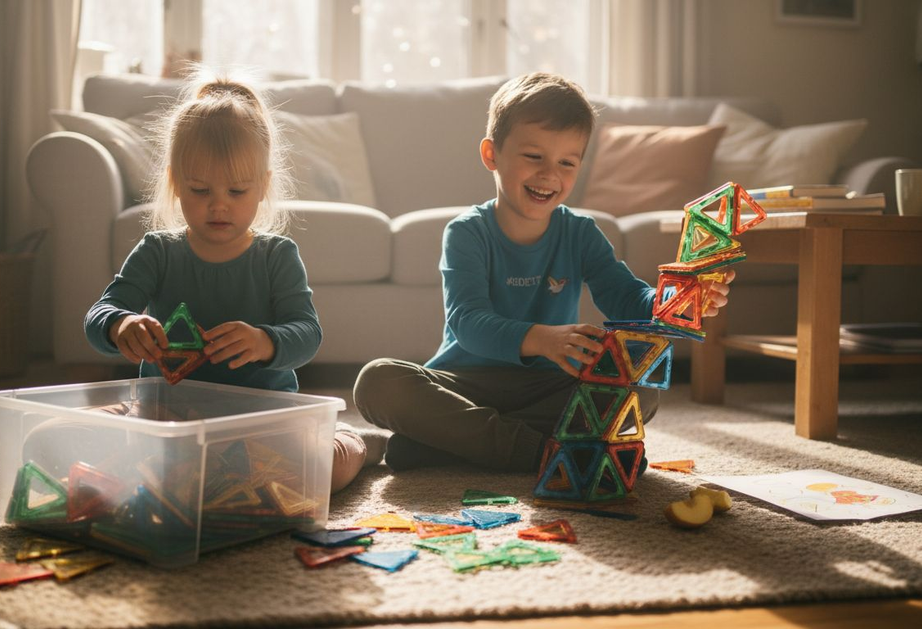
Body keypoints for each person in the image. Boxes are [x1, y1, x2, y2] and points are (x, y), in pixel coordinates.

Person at [353, 72, 734, 472]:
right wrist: (542, 339)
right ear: (491, 155)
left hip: (547, 387)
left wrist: (676, 303)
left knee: (642, 392)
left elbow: (627, 297)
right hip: (465, 382)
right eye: (534, 157)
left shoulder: (581, 233)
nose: (549, 174)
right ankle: (536, 454)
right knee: (378, 380)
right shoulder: (467, 232)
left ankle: (445, 445)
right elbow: (467, 321)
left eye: (567, 162)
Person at [84, 68, 383, 492]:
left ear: (263, 187)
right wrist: (120, 325)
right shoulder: (158, 251)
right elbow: (99, 315)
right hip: (167, 414)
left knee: (316, 471)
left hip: (260, 422)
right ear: (175, 184)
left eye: (237, 192)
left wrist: (265, 342)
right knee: (55, 437)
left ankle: (352, 440)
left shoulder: (276, 256)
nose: (218, 206)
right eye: (200, 191)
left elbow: (308, 334)